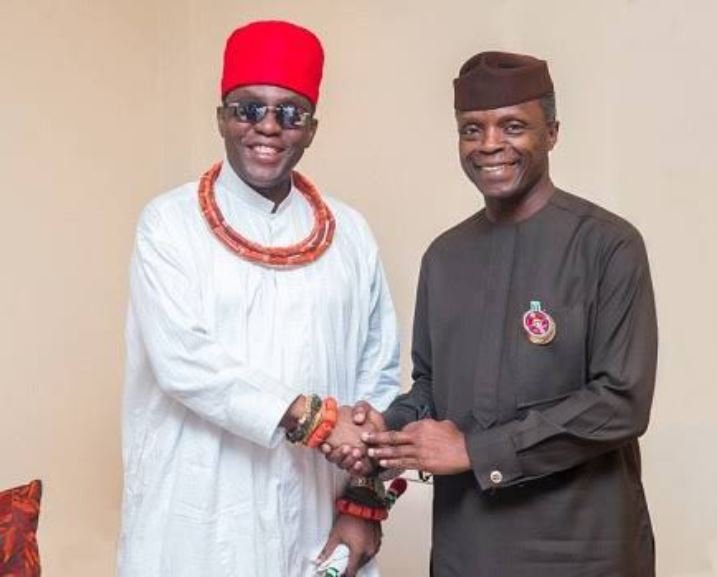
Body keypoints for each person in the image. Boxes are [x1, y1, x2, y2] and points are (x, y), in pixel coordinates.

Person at [355, 51, 658, 576]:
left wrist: (478, 450)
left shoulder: (608, 245)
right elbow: (432, 386)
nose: (489, 144)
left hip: (585, 549)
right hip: (467, 549)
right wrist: (387, 428)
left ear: (553, 133)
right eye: (472, 129)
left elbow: (620, 402)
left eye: (512, 126)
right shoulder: (445, 256)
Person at [118, 20, 399, 577]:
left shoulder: (351, 233)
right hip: (197, 517)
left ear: (312, 128)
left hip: (318, 515)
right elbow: (183, 362)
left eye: (289, 113)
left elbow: (380, 377)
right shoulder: (169, 224)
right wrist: (316, 420)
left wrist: (363, 500)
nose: (267, 127)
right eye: (248, 108)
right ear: (221, 115)